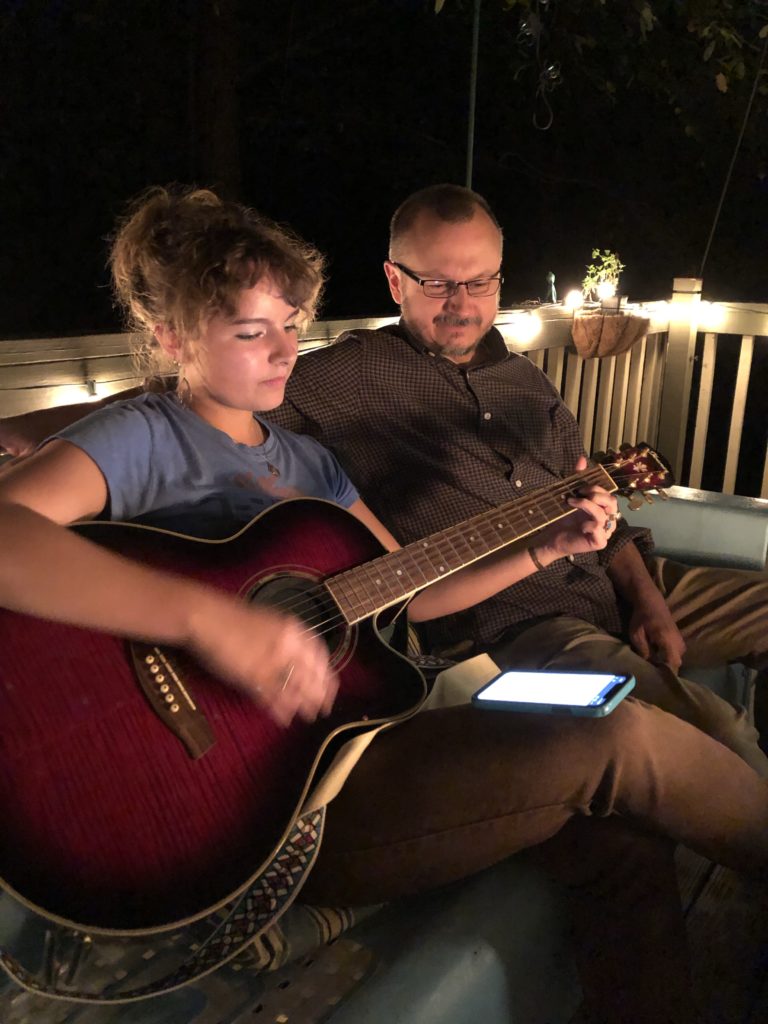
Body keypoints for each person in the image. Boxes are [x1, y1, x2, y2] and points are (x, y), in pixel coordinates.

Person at [2, 186, 768, 1023]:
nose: (284, 351)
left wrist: (545, 549)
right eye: (252, 331)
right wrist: (208, 619)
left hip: (361, 750)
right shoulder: (146, 435)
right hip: (257, 807)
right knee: (621, 738)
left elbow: (411, 590)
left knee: (620, 844)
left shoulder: (308, 465)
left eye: (293, 324)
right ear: (173, 337)